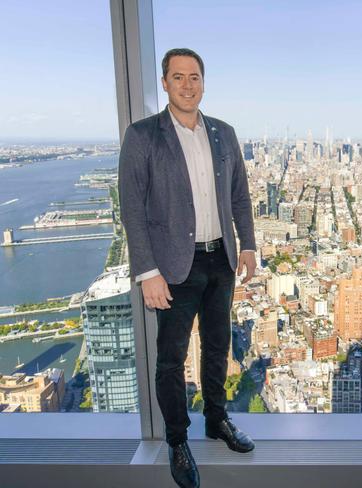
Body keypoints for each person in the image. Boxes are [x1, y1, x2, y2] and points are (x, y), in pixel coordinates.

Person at [119, 47, 257, 488]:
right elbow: (132, 210)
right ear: (164, 83)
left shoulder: (223, 133)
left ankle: (216, 421)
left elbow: (239, 196)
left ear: (203, 81)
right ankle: (178, 441)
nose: (187, 85)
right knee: (171, 359)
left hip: (222, 259)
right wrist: (147, 271)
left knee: (218, 348)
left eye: (194, 76)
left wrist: (248, 246)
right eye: (177, 77)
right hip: (173, 266)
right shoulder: (143, 136)